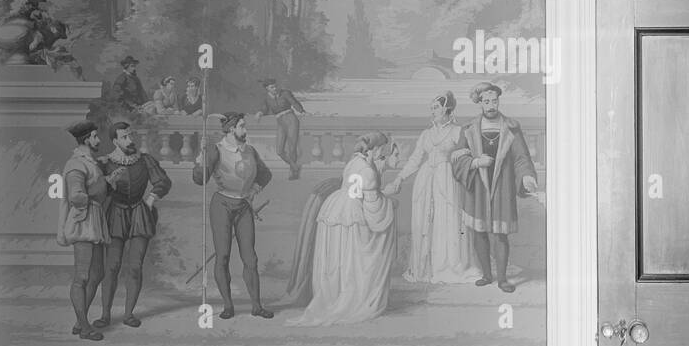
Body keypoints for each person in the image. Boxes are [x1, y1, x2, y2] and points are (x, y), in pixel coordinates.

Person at [286, 132, 399, 325]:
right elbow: (374, 209)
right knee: (356, 257)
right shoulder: (368, 172)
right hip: (353, 215)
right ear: (377, 149)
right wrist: (389, 198)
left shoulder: (355, 162)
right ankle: (356, 297)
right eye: (382, 151)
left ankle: (335, 294)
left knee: (341, 259)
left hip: (336, 208)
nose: (383, 155)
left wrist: (385, 167)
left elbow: (362, 182)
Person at [383, 91, 482, 284]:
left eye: (436, 107)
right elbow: (415, 159)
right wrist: (399, 178)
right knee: (425, 221)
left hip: (447, 180)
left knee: (448, 221)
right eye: (432, 108)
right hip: (425, 180)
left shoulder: (457, 131)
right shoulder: (426, 134)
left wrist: (463, 153)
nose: (432, 111)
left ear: (447, 108)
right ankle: (425, 269)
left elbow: (468, 155)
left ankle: (449, 267)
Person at [450, 82, 538, 293]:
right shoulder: (469, 128)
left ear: (499, 101)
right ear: (480, 103)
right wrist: (475, 162)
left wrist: (526, 176)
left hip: (502, 186)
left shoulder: (511, 127)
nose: (491, 105)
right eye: (486, 101)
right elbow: (456, 157)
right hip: (477, 187)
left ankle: (502, 279)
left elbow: (521, 157)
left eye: (494, 100)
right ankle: (486, 275)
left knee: (500, 234)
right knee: (479, 232)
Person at [193, 112, 274, 319]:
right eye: (242, 126)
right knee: (223, 256)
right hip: (222, 205)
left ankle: (256, 306)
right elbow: (200, 180)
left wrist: (254, 190)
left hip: (244, 205)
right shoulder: (216, 150)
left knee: (251, 258)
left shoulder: (250, 151)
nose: (245, 130)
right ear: (231, 129)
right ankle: (228, 306)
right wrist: (201, 158)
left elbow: (266, 174)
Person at [94, 120, 172, 329]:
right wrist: (107, 180)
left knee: (135, 268)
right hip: (115, 215)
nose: (130, 140)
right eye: (125, 137)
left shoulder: (145, 160)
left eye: (131, 135)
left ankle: (129, 314)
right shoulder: (105, 163)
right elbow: (94, 189)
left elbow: (163, 181)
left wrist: (151, 198)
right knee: (111, 267)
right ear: (115, 141)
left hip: (140, 213)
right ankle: (105, 315)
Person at [58, 121, 110, 339]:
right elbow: (76, 196)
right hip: (83, 221)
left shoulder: (90, 162)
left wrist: (107, 181)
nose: (98, 140)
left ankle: (81, 322)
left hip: (94, 220)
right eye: (95, 136)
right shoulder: (76, 165)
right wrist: (101, 187)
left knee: (97, 274)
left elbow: (93, 186)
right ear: (87, 139)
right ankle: (85, 327)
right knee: (82, 277)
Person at [257, 78, 306, 179]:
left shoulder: (285, 93)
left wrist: (302, 111)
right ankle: (295, 166)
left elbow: (294, 102)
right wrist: (260, 113)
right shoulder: (266, 98)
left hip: (291, 120)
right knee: (279, 151)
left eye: (275, 86)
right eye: (272, 87)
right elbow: (264, 108)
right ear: (267, 88)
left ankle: (293, 173)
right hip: (280, 122)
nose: (275, 88)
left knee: (292, 148)